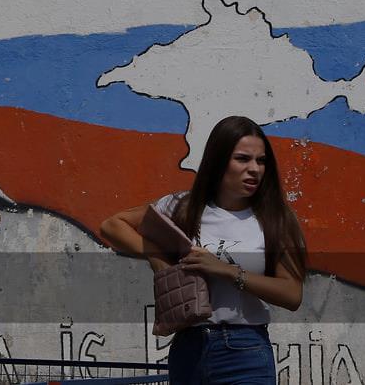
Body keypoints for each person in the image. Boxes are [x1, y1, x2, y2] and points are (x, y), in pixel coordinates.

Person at [100, 116, 307, 385]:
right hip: (189, 348)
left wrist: (226, 271)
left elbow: (292, 294)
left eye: (261, 160)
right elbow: (112, 225)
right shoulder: (183, 206)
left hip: (245, 352)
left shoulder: (275, 219)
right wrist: (156, 256)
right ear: (218, 161)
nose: (255, 169)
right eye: (242, 159)